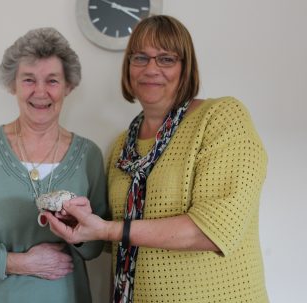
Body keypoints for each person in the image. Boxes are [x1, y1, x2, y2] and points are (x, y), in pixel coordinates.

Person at [45, 15, 269, 302]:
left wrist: (109, 228)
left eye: (166, 59)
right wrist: (81, 221)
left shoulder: (221, 119)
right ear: (128, 69)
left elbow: (213, 231)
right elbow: (117, 239)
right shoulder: (121, 146)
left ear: (186, 68)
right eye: (140, 58)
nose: (151, 68)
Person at [0, 27, 108, 303]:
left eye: (52, 80)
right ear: (12, 84)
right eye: (29, 80)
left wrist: (80, 231)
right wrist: (19, 262)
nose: (40, 92)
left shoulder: (88, 156)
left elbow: (98, 247)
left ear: (68, 86)